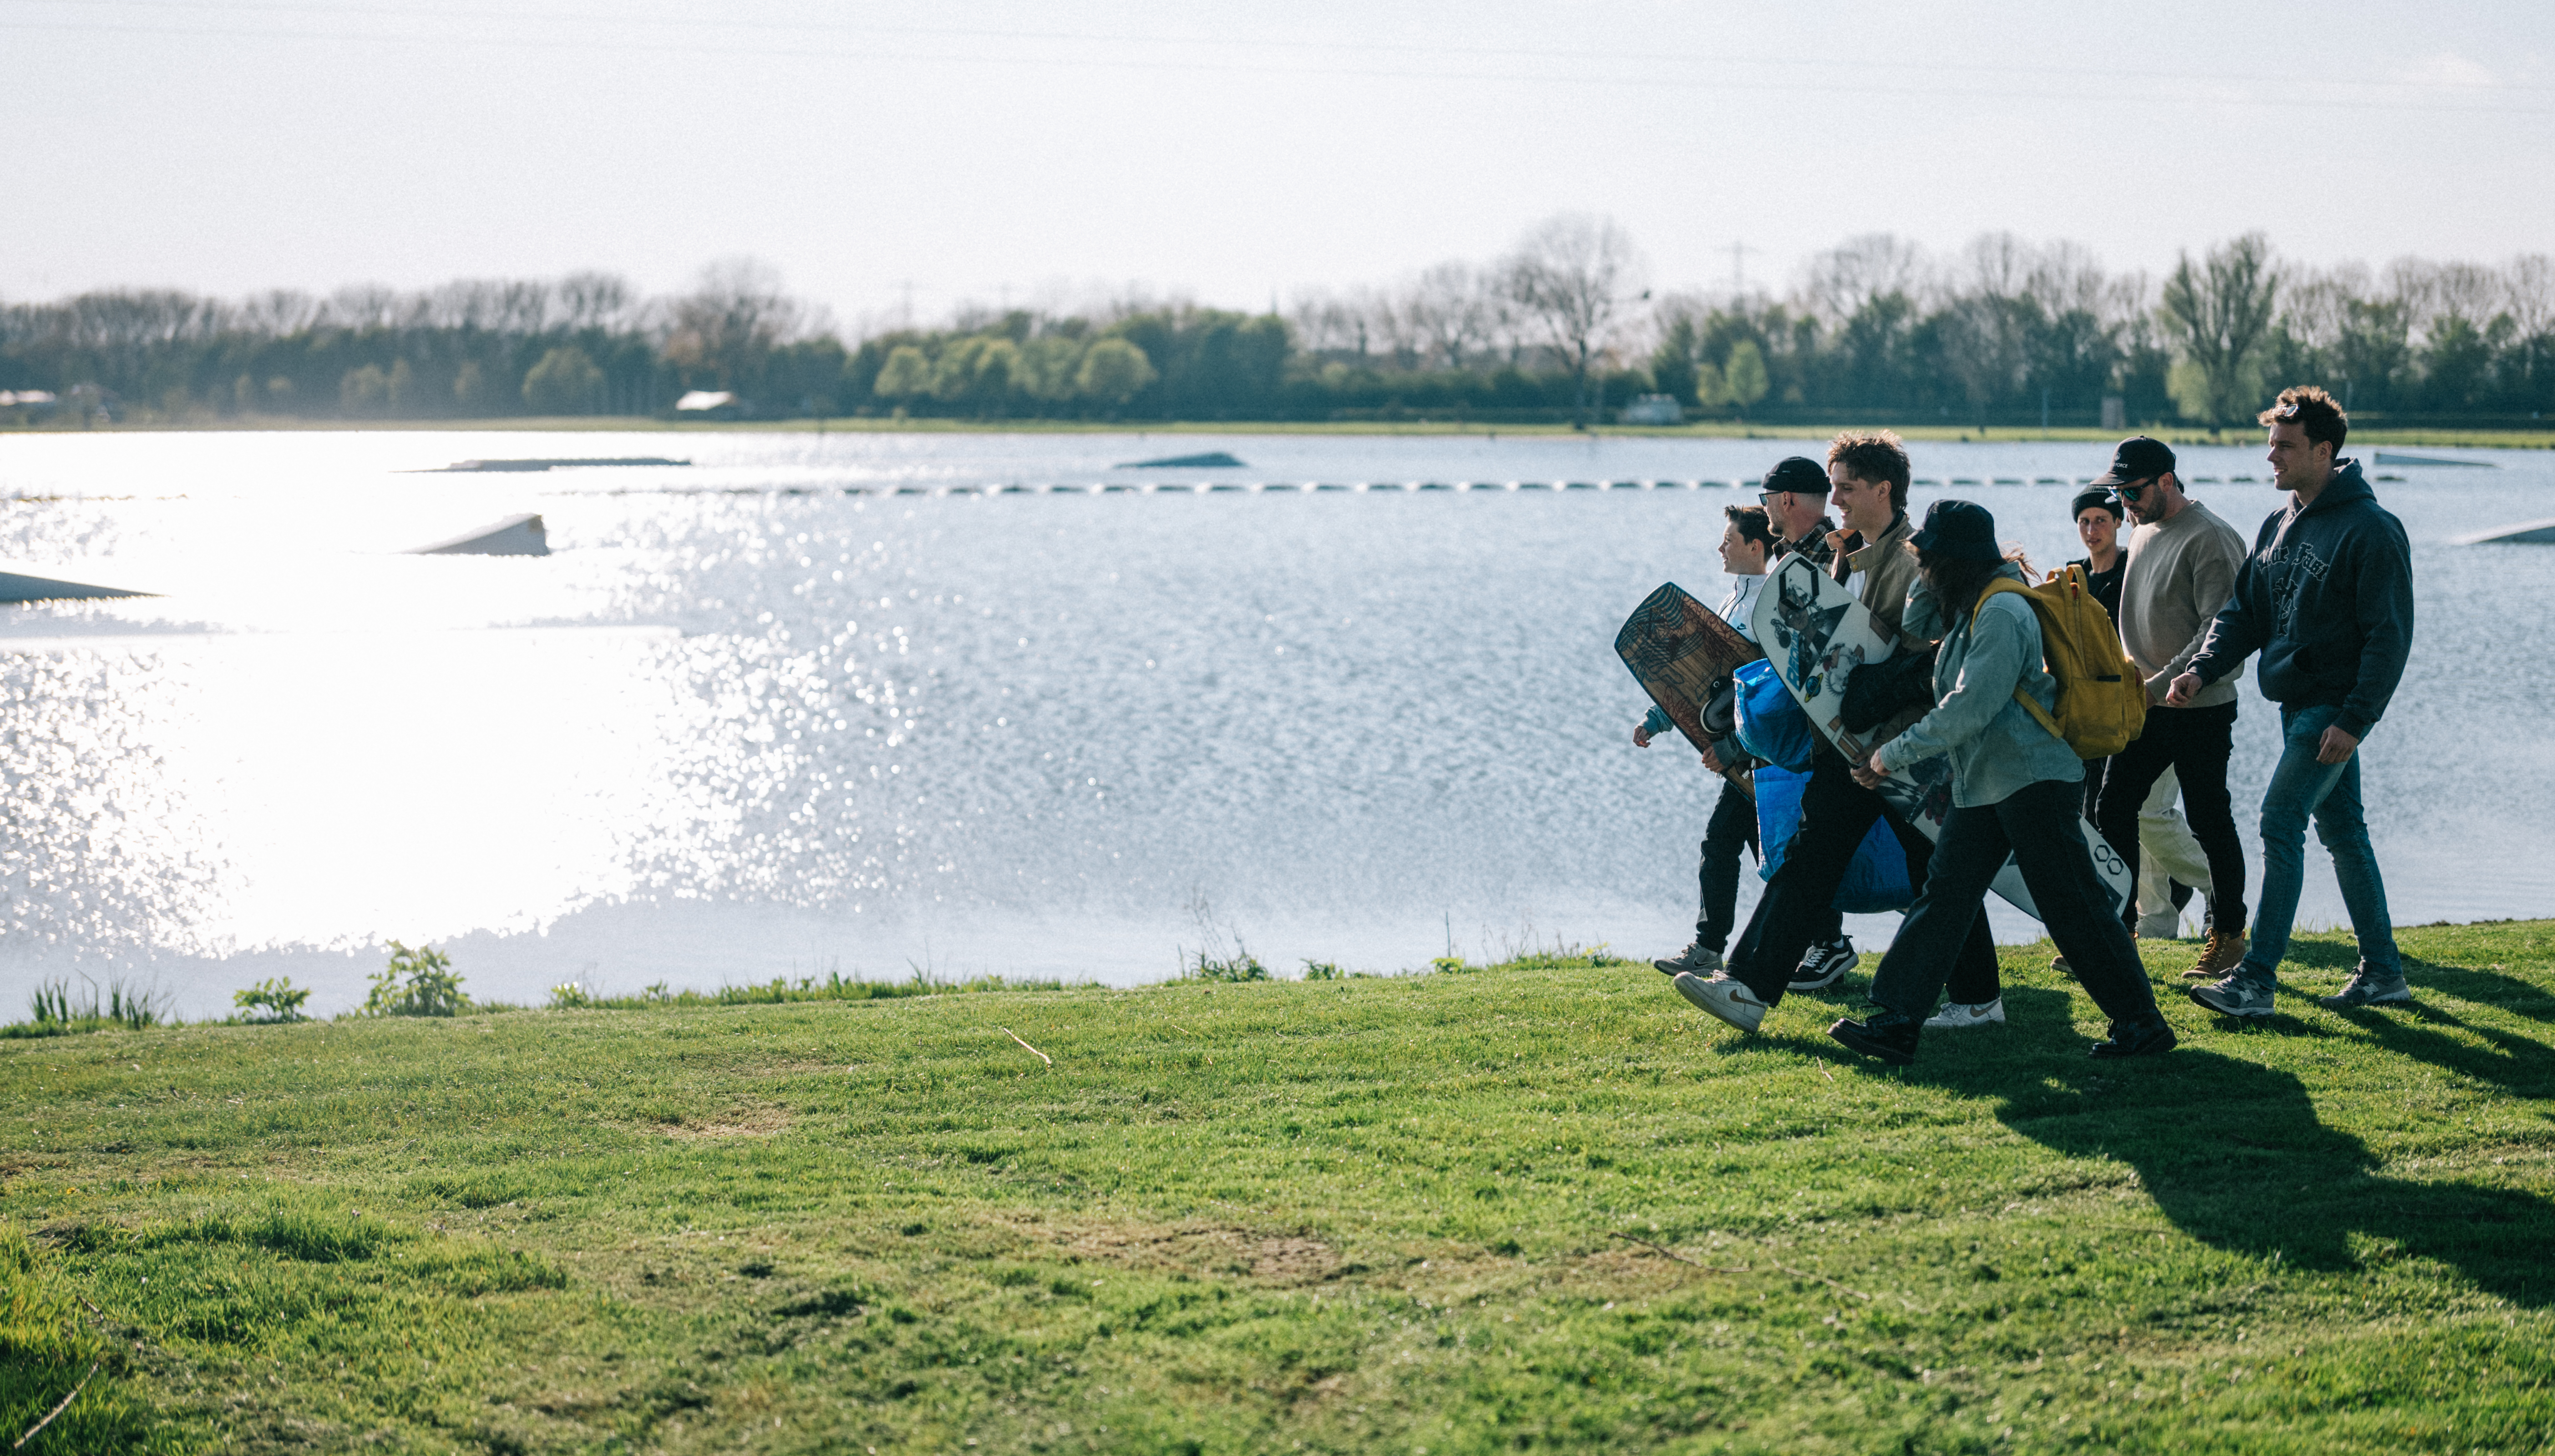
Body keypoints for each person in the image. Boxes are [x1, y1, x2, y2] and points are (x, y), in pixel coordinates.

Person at [1825, 500, 2177, 1065]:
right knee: (1945, 894)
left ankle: (2141, 1022)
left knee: (2075, 907)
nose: (1925, 566)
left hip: (2031, 781)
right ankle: (1895, 1021)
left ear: (1958, 559)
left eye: (1930, 558)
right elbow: (1917, 626)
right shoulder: (1969, 603)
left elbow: (1969, 708)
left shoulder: (2002, 613)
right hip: (1988, 782)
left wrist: (1889, 757)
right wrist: (1925, 575)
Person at [1675, 432, 2003, 1033]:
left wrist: (1882, 739)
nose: (1837, 499)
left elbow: (1933, 660)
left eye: (1847, 488)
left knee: (1937, 871)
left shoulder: (1913, 560)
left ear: (1884, 489)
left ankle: (1980, 998)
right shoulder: (1843, 552)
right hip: (1844, 748)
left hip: (1897, 750)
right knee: (1813, 860)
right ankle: (1747, 990)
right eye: (1833, 487)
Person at [2172, 387, 2414, 1015]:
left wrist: (2354, 719)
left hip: (2329, 713)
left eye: (2284, 446)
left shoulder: (2372, 530)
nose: (2271, 458)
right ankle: (2383, 974)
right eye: (2270, 444)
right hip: (2294, 709)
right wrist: (2201, 670)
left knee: (2280, 821)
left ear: (2324, 451)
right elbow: (2242, 614)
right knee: (2344, 833)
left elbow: (2388, 638)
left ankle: (2255, 980)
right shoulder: (2276, 525)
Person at [2083, 435, 2254, 981]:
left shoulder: (2211, 537)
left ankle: (2228, 934)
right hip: (2147, 702)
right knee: (2112, 808)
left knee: (2208, 817)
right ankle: (2116, 930)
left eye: (2131, 491)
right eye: (2118, 492)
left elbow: (2218, 628)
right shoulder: (2142, 532)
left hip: (2199, 704)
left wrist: (2161, 683)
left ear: (2166, 481)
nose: (2124, 504)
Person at [1694, 455, 1856, 990]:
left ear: (1784, 500)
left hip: (1827, 740)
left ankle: (1754, 974)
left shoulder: (1832, 561)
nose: (1766, 513)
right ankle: (1757, 967)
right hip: (1796, 743)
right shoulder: (1799, 560)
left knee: (1804, 854)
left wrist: (1740, 745)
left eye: (1766, 502)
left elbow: (1811, 666)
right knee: (1796, 852)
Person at [1643, 503, 1776, 977]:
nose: (1720, 547)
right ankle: (1822, 940)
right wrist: (1657, 721)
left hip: (1762, 755)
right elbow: (1703, 681)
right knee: (1760, 850)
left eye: (1728, 540)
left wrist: (1737, 748)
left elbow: (1773, 692)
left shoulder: (1766, 605)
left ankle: (1710, 947)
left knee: (1732, 844)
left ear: (1755, 546)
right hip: (1739, 757)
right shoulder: (1729, 601)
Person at [2063, 485, 2127, 824]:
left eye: (2101, 520)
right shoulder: (2074, 577)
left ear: (2118, 521)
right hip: (2084, 706)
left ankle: (2185, 879)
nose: (2092, 531)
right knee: (2085, 812)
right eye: (2084, 522)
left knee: (2125, 810)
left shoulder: (2133, 570)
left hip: (2122, 700)